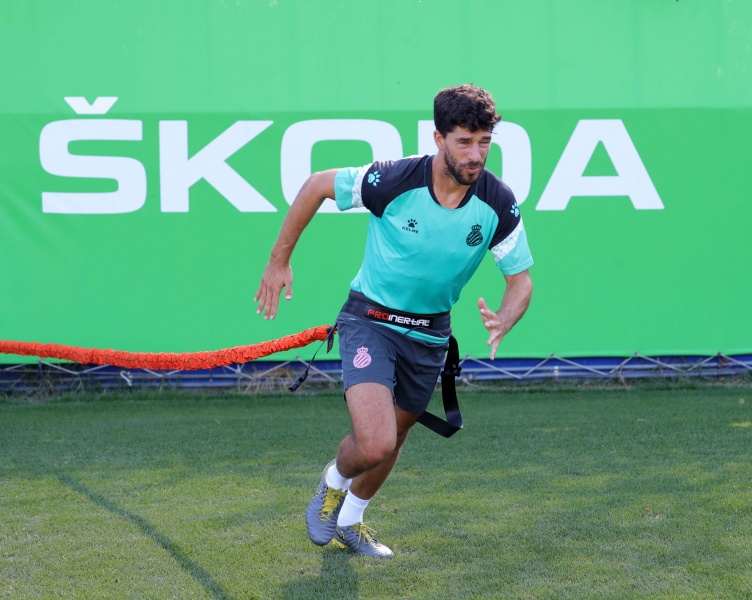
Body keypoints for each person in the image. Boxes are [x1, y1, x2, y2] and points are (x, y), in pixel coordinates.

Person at [254, 84, 533, 558]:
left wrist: (505, 318)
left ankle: (351, 522)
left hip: (430, 336)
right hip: (371, 322)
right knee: (375, 441)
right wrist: (278, 260)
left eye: (484, 142)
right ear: (438, 138)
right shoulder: (394, 179)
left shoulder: (497, 202)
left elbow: (520, 281)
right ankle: (332, 483)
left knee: (396, 437)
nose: (476, 154)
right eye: (464, 142)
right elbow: (318, 184)